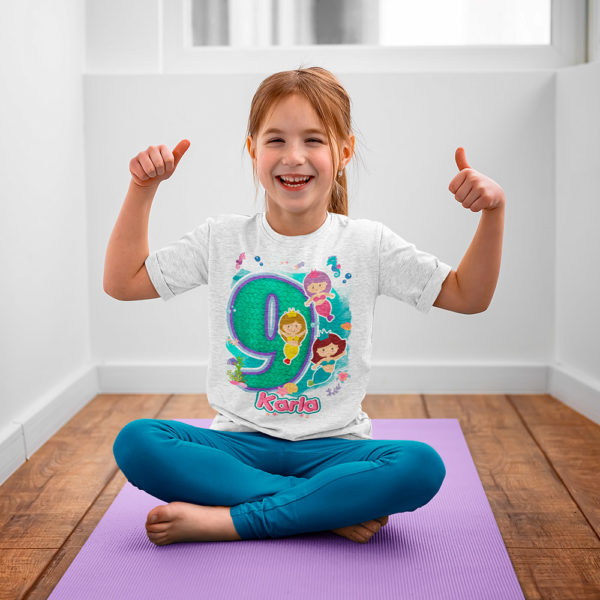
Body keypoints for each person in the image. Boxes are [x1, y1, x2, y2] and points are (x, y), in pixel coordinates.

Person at [105, 66, 505, 546]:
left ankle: (233, 521)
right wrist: (143, 188)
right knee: (137, 442)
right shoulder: (222, 238)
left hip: (336, 450)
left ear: (344, 152)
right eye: (275, 140)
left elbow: (469, 295)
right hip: (238, 447)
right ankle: (322, 509)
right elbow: (123, 282)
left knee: (421, 466)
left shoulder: (367, 242)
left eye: (313, 140)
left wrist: (493, 212)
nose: (293, 157)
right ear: (252, 150)